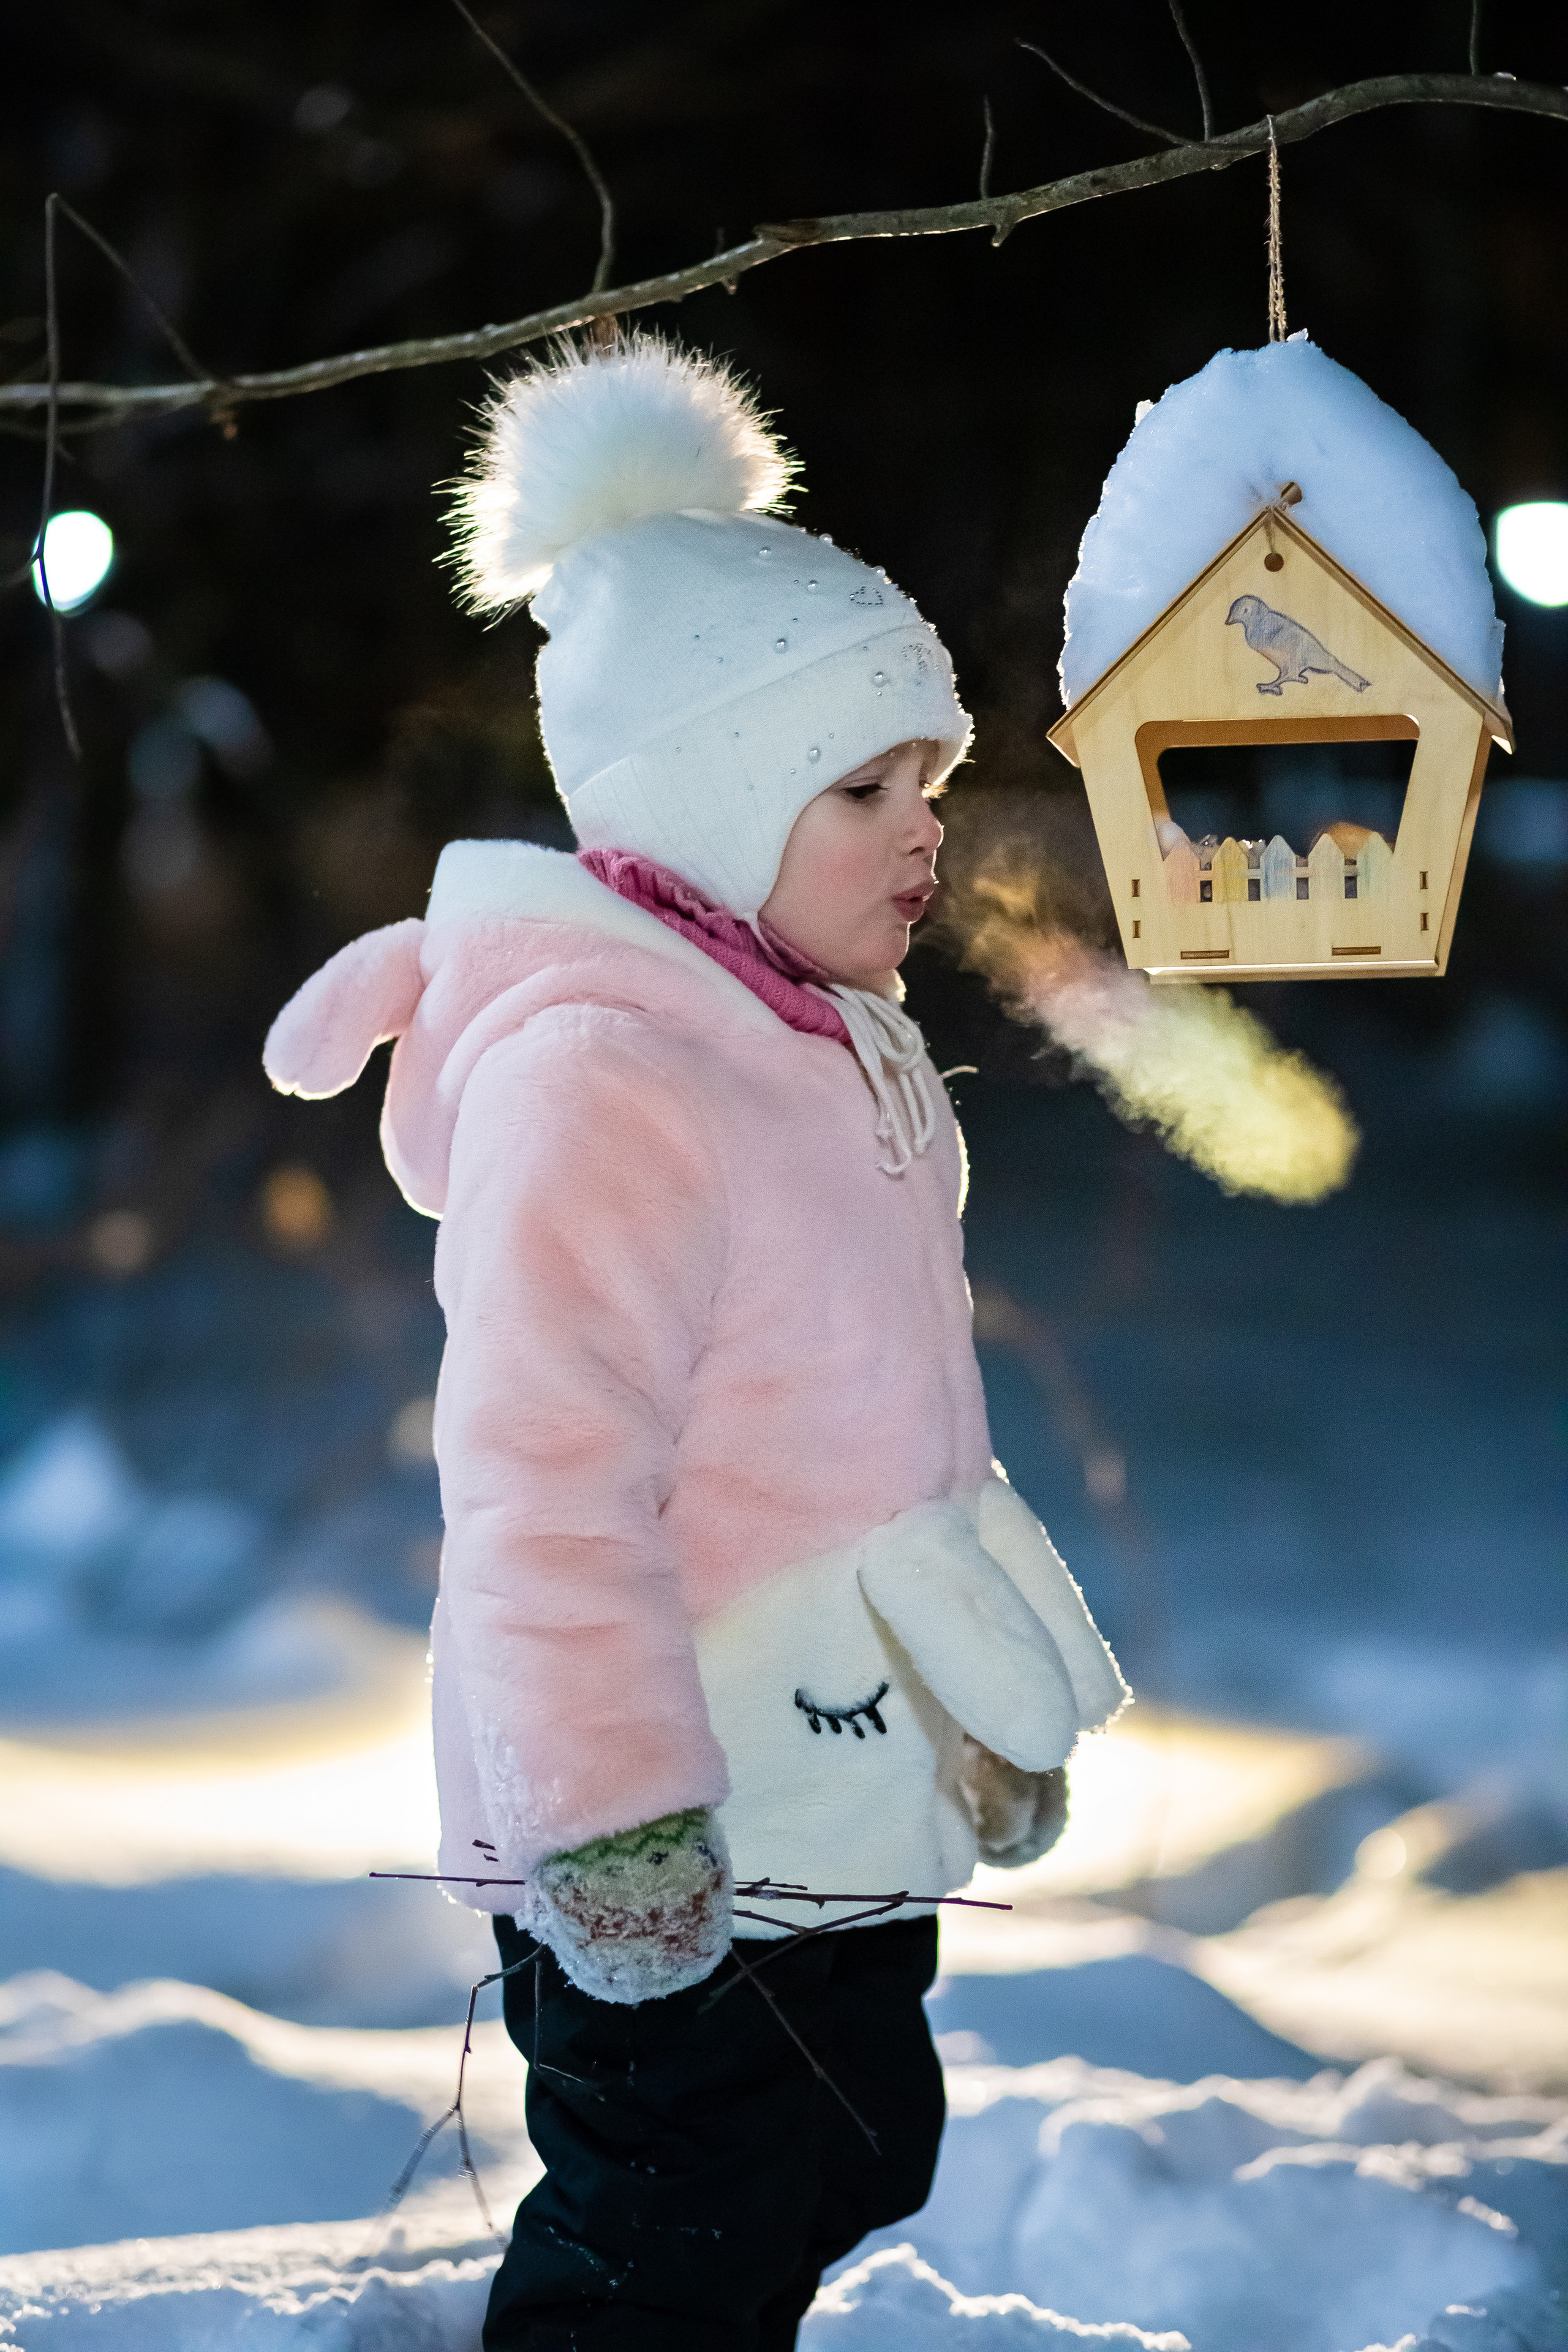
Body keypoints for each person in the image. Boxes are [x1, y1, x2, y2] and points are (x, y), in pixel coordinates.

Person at [264, 334, 1127, 2351]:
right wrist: (613, 1812)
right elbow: (544, 1483)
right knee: (676, 2227)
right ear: (715, 798)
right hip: (677, 1806)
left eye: (931, 783)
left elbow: (889, 1424)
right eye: (862, 788)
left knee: (846, 2153)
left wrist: (978, 1694)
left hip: (832, 1779)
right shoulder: (608, 1083)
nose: (924, 832)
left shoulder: (826, 1042)